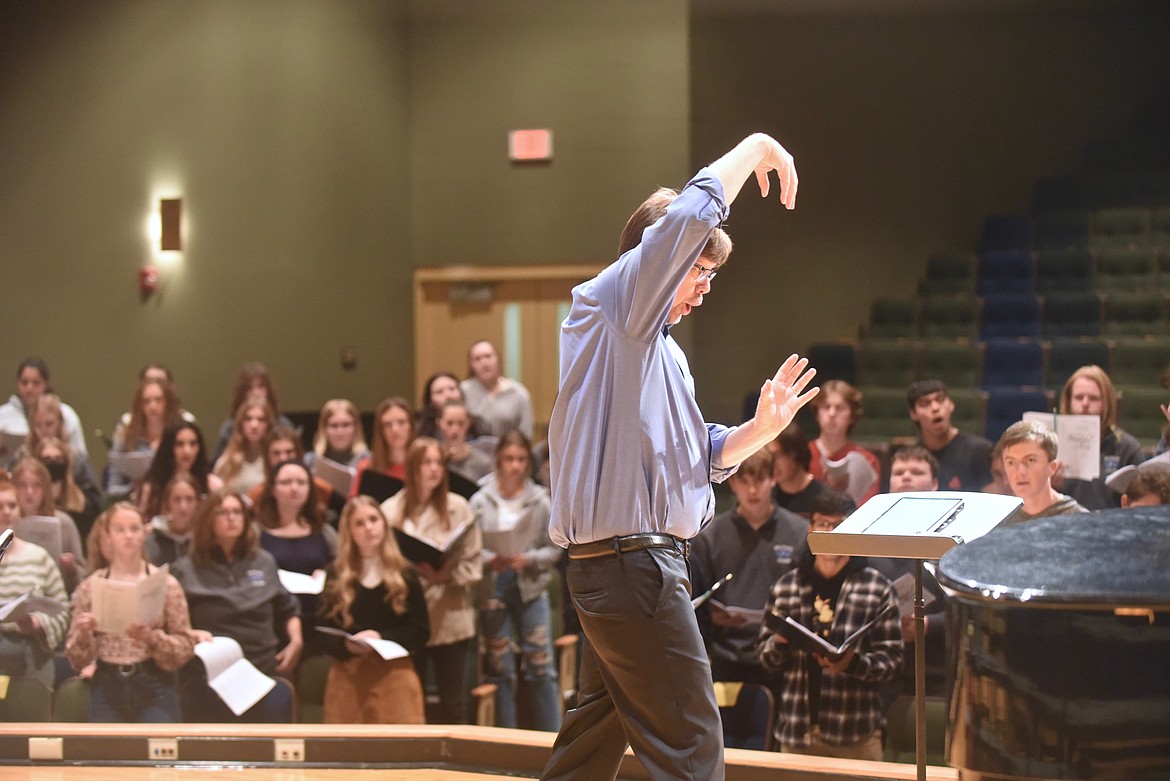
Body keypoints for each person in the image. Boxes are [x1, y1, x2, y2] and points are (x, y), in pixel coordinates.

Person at [541, 133, 814, 781]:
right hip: (632, 565)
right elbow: (692, 213)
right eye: (699, 269)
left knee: (591, 742)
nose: (705, 287)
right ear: (656, 258)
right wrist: (759, 147)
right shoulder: (616, 305)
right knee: (692, 745)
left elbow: (702, 456)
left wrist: (760, 429)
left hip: (628, 565)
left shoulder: (660, 350)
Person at [758, 490, 903, 760]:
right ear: (811, 529)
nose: (830, 532)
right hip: (797, 732)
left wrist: (853, 663)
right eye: (823, 524)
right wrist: (782, 641)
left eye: (839, 525)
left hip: (855, 733)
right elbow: (765, 660)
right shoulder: (787, 586)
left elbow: (893, 661)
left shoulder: (876, 588)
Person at [170, 491, 303, 722]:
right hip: (208, 678)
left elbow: (288, 608)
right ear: (207, 520)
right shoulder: (185, 569)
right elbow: (170, 624)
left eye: (237, 512)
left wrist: (296, 640)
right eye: (222, 512)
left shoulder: (264, 561)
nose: (231, 518)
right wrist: (190, 634)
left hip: (261, 671)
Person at [381, 437, 482, 724]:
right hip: (408, 617)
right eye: (426, 462)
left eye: (439, 462)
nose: (434, 469)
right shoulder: (390, 511)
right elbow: (384, 564)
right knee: (411, 701)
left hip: (450, 614)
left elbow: (474, 563)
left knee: (454, 704)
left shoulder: (459, 508)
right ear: (412, 468)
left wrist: (445, 575)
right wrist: (415, 574)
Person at [64, 503, 194, 722]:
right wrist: (85, 632)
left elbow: (185, 646)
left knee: (159, 752)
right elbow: (76, 659)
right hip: (107, 683)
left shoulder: (165, 584)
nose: (128, 536)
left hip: (154, 682)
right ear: (107, 536)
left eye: (134, 529)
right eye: (120, 529)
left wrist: (152, 638)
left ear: (144, 533)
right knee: (109, 754)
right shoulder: (91, 586)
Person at [691, 448, 806, 693]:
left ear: (774, 477)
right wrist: (712, 613)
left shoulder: (800, 532)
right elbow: (697, 602)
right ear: (732, 482)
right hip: (725, 655)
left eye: (760, 480)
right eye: (744, 481)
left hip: (782, 655)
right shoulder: (710, 535)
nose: (752, 490)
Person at [470, 431, 562, 731]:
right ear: (498, 460)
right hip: (495, 585)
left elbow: (556, 546)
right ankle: (503, 739)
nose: (515, 466)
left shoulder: (540, 500)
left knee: (540, 664)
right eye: (509, 459)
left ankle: (550, 739)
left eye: (521, 459)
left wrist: (529, 558)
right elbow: (469, 547)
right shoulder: (481, 500)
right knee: (500, 666)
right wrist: (488, 558)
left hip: (530, 586)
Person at [317, 496, 430, 724]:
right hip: (348, 675)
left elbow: (421, 629)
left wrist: (382, 638)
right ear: (349, 531)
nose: (368, 528)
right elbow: (323, 630)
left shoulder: (405, 573)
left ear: (383, 524)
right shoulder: (336, 574)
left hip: (395, 675)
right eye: (359, 523)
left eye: (373, 519)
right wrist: (346, 645)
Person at [869, 446, 948, 705]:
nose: (905, 477)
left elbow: (967, 612)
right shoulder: (867, 534)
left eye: (916, 472)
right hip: (877, 672)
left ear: (935, 484)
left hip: (937, 674)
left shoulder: (954, 539)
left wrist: (928, 625)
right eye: (898, 472)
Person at [254, 459, 338, 650]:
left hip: (317, 618)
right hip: (273, 620)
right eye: (286, 482)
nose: (294, 488)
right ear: (273, 489)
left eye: (301, 483)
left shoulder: (324, 531)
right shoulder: (256, 533)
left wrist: (328, 574)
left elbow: (342, 568)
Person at [0, 471, 71, 691]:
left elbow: (63, 610)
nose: (6, 512)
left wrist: (39, 624)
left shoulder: (38, 556)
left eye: (12, 505)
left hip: (32, 655)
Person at [1057, 365, 1145, 510]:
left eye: (1093, 398)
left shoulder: (1127, 448)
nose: (1085, 404)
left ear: (1107, 403)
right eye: (1079, 397)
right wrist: (1048, 485)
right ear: (1069, 401)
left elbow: (1142, 501)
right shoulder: (1053, 446)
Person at [12, 457, 86, 592]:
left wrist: (71, 568)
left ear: (45, 489)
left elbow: (82, 576)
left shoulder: (64, 523)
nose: (30, 492)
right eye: (22, 485)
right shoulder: (6, 522)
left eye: (37, 485)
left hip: (54, 593)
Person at [907, 379, 992, 491]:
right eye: (925, 404)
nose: (935, 408)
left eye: (940, 400)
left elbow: (995, 502)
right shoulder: (911, 458)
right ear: (913, 414)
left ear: (951, 405)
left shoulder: (980, 451)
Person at [999, 420, 1090, 524]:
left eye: (1030, 460)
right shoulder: (996, 520)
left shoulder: (1078, 520)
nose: (1020, 472)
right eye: (1011, 462)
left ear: (1052, 467)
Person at [23, 394, 102, 513]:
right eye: (38, 425)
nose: (44, 430)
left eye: (49, 424)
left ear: (60, 423)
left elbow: (95, 501)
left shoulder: (78, 461)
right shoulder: (23, 458)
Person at [107, 377, 184, 497]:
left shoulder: (181, 435)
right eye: (146, 401)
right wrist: (133, 487)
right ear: (139, 406)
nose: (152, 406)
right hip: (133, 502)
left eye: (158, 400)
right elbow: (112, 488)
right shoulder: (126, 438)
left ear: (168, 402)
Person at [0, 357, 87, 463]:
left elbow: (80, 456)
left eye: (35, 383)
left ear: (46, 384)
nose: (29, 388)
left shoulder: (67, 414)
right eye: (24, 382)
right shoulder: (3, 414)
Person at [807, 380, 880, 505]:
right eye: (826, 407)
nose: (832, 413)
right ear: (817, 413)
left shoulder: (868, 461)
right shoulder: (802, 454)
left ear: (852, 416)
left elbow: (867, 510)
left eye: (840, 408)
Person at [137, 420, 223, 519]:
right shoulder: (151, 487)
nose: (187, 451)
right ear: (168, 448)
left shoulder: (212, 486)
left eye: (193, 444)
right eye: (179, 444)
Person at [211, 362, 295, 463]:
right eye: (250, 388)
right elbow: (215, 464)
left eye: (260, 387)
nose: (256, 393)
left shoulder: (283, 425)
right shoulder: (229, 428)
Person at [460, 341, 534, 439]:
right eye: (477, 359)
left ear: (498, 359)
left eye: (488, 356)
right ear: (471, 365)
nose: (484, 363)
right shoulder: (463, 391)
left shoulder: (518, 393)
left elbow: (526, 434)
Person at [31, 436, 99, 535]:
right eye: (47, 459)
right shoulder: (31, 499)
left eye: (58, 458)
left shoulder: (82, 502)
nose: (53, 463)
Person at [352, 397, 415, 496]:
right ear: (380, 431)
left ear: (411, 426)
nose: (395, 429)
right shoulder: (367, 468)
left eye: (401, 422)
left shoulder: (422, 467)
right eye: (387, 424)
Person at [212, 400, 275, 495]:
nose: (254, 425)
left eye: (261, 419)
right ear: (240, 424)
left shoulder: (275, 457)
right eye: (248, 419)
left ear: (268, 425)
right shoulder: (228, 460)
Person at [770, 425, 826, 519]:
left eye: (777, 455)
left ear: (795, 453)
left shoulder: (825, 500)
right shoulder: (766, 500)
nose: (772, 463)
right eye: (768, 456)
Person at [145, 473, 200, 566]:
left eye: (189, 499)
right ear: (168, 504)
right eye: (177, 500)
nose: (183, 507)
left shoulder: (203, 540)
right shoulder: (152, 542)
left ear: (197, 503)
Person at [438, 400, 494, 485]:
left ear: (468, 424)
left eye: (461, 423)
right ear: (440, 424)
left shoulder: (482, 463)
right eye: (449, 423)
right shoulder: (434, 460)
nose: (455, 429)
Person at [304, 398, 370, 471]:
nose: (340, 432)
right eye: (334, 426)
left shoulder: (369, 461)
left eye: (346, 425)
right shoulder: (310, 461)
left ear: (356, 428)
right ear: (324, 429)